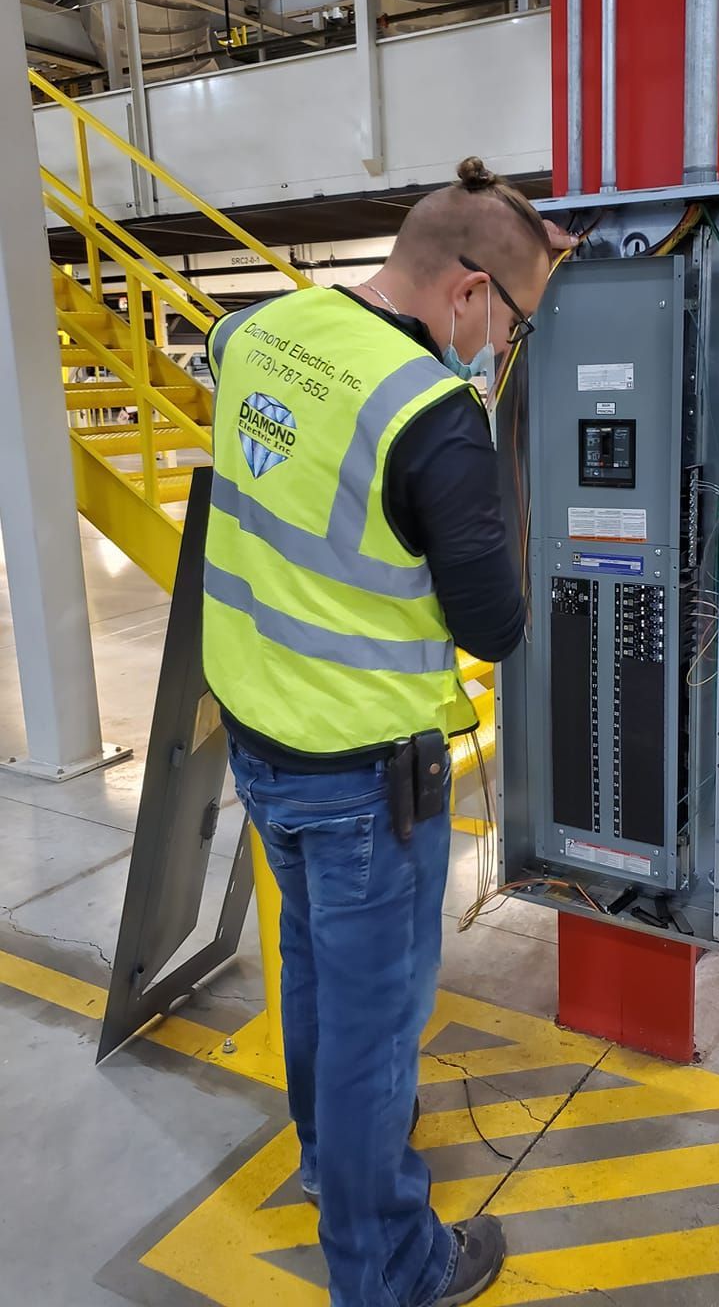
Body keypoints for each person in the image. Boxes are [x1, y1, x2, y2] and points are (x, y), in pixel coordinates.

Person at [202, 158, 570, 1307]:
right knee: (375, 1040)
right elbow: (496, 626)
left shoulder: (252, 334)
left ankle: (326, 1170)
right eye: (511, 326)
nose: (502, 352)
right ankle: (392, 1271)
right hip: (367, 784)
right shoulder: (433, 422)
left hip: (262, 748)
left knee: (311, 980)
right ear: (466, 294)